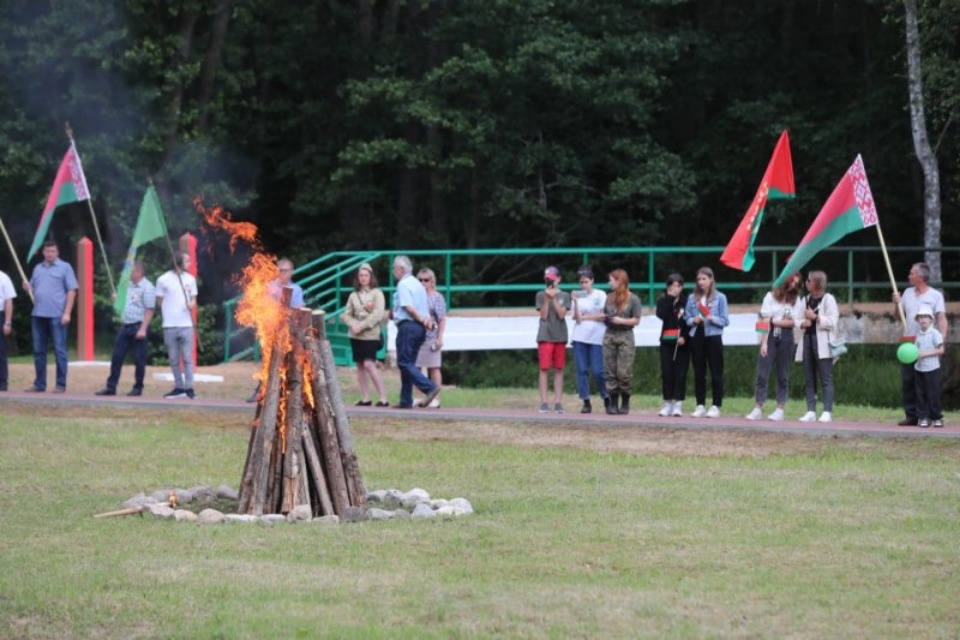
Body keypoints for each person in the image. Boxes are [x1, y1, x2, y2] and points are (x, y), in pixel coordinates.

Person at [892, 262, 948, 426]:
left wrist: (942, 337)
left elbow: (941, 317)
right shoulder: (908, 293)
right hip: (909, 342)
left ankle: (932, 415)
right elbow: (897, 316)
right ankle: (912, 415)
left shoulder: (935, 296)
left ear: (920, 277)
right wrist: (896, 304)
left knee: (928, 383)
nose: (909, 276)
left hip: (927, 343)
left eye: (911, 273)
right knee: (908, 380)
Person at [745, 273, 804, 421]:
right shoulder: (769, 297)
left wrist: (776, 321)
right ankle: (758, 406)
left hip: (786, 336)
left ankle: (780, 408)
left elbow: (793, 322)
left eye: (797, 284)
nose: (793, 286)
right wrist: (764, 342)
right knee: (762, 372)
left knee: (783, 373)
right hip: (770, 336)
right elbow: (765, 319)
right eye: (791, 283)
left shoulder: (797, 300)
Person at [247, 258, 305, 401]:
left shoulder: (296, 289)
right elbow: (265, 306)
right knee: (268, 361)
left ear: (291, 272)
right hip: (272, 331)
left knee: (289, 363)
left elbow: (298, 310)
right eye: (280, 270)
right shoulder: (270, 287)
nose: (283, 273)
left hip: (290, 333)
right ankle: (261, 390)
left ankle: (288, 394)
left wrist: (285, 311)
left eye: (286, 271)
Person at [23, 241, 77, 393]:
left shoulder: (65, 267)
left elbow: (71, 291)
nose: (50, 254)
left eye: (53, 251)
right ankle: (39, 384)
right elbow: (33, 288)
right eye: (48, 251)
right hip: (38, 314)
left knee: (60, 351)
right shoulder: (37, 268)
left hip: (57, 315)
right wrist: (27, 287)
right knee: (39, 351)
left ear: (57, 252)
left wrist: (67, 313)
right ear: (43, 252)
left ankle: (61, 385)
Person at [95, 261, 156, 397]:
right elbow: (123, 306)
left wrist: (143, 329)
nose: (128, 274)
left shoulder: (148, 287)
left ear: (139, 272)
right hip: (126, 326)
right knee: (117, 357)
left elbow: (150, 310)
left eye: (131, 271)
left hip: (139, 326)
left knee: (139, 359)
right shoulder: (127, 286)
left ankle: (138, 387)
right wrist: (116, 301)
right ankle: (111, 387)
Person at [390, 255, 440, 409]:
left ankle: (429, 387)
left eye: (394, 268)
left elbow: (408, 307)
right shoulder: (418, 285)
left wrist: (419, 319)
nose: (393, 271)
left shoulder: (403, 284)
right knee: (409, 363)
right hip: (419, 329)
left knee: (404, 362)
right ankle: (405, 400)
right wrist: (425, 322)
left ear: (401, 269)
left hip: (408, 326)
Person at [340, 263, 389, 407]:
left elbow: (378, 314)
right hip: (355, 335)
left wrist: (361, 326)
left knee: (369, 363)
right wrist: (353, 324)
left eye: (366, 275)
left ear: (371, 276)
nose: (363, 278)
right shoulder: (353, 295)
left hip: (370, 335)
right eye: (361, 275)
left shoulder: (377, 294)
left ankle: (383, 397)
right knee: (360, 365)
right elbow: (346, 314)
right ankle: (366, 397)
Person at [795, 270, 839, 423]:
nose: (806, 283)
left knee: (825, 378)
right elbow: (796, 319)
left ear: (817, 283)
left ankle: (827, 411)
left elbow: (833, 321)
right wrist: (802, 323)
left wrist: (816, 318)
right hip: (807, 340)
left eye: (809, 280)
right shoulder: (805, 300)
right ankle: (811, 410)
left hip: (823, 343)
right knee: (809, 378)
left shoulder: (828, 299)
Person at [685, 266, 729, 418]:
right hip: (697, 335)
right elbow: (687, 319)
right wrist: (694, 320)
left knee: (716, 371)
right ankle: (700, 404)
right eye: (699, 279)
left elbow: (725, 320)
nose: (701, 282)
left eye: (704, 279)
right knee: (699, 372)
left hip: (713, 336)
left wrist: (710, 317)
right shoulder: (692, 298)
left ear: (711, 280)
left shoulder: (720, 297)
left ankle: (716, 405)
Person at [155, 252, 198, 399]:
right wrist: (169, 309)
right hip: (169, 324)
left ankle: (189, 387)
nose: (189, 263)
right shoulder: (162, 279)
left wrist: (190, 305)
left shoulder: (190, 279)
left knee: (187, 357)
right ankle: (179, 386)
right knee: (173, 358)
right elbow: (159, 300)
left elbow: (193, 300)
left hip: (186, 324)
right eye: (187, 260)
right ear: (178, 262)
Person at [602, 268, 642, 415]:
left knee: (624, 372)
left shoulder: (633, 299)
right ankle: (613, 402)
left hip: (625, 335)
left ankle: (625, 402)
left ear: (619, 281)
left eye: (611, 280)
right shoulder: (609, 298)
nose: (609, 283)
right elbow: (606, 314)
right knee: (610, 371)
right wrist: (605, 318)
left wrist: (621, 320)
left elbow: (636, 320)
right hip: (610, 335)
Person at [570, 265, 609, 414]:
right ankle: (586, 401)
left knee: (598, 371)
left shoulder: (600, 294)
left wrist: (586, 317)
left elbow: (602, 316)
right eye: (581, 282)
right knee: (582, 370)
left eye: (586, 281)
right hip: (580, 337)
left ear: (592, 281)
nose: (584, 285)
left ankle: (606, 396)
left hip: (596, 338)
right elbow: (577, 318)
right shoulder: (577, 296)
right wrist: (575, 302)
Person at [536, 266, 570, 413]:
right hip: (545, 335)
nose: (550, 282)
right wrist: (546, 299)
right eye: (547, 279)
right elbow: (543, 315)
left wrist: (554, 298)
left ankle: (558, 402)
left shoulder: (565, 295)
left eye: (552, 279)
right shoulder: (540, 294)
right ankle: (544, 402)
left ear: (559, 279)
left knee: (559, 368)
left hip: (560, 335)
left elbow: (562, 315)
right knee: (544, 368)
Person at [655, 273, 689, 417]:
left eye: (679, 285)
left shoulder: (687, 301)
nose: (676, 288)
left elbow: (690, 320)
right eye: (673, 285)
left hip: (682, 342)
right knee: (667, 372)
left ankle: (678, 404)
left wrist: (685, 337)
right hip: (666, 341)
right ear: (668, 287)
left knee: (680, 373)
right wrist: (670, 299)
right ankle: (667, 403)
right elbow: (661, 315)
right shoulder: (663, 301)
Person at [415, 268, 446, 408]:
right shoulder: (415, 296)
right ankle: (418, 396)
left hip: (431, 337)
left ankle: (435, 398)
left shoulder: (437, 297)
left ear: (432, 281)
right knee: (416, 368)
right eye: (420, 280)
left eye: (426, 280)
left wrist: (439, 338)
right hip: (416, 337)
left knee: (434, 367)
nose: (423, 282)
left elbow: (441, 319)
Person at [912, 305, 945, 428]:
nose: (923, 319)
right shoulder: (918, 335)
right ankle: (923, 417)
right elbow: (915, 350)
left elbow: (941, 350)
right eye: (920, 317)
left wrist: (925, 354)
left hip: (932, 369)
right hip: (919, 368)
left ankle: (936, 417)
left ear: (931, 319)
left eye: (926, 316)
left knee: (933, 394)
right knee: (920, 394)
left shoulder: (935, 333)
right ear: (918, 320)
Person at [0, 268, 16, 392]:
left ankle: (2, 382)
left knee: (1, 351)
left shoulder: (3, 277)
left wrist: (8, 322)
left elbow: (9, 301)